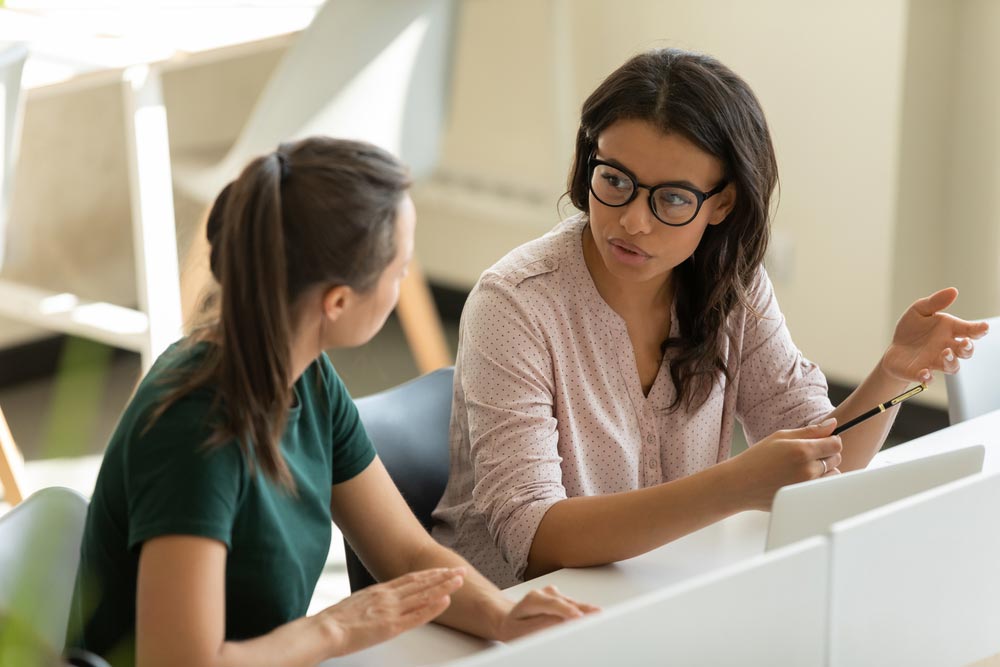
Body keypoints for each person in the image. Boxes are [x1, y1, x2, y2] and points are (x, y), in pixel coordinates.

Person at [431, 48, 990, 589]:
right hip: (515, 618)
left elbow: (825, 465)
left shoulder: (734, 284)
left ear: (722, 204)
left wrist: (891, 378)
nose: (632, 222)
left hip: (661, 587)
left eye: (672, 199)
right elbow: (532, 539)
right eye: (615, 179)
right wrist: (731, 487)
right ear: (589, 161)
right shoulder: (515, 303)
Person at [66, 137, 596, 667]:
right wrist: (339, 628)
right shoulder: (195, 433)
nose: (405, 279)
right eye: (400, 267)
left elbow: (408, 555)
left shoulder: (305, 376)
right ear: (338, 302)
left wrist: (503, 616)